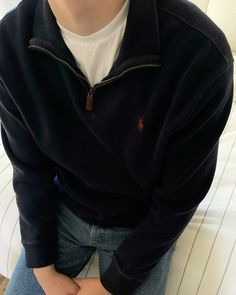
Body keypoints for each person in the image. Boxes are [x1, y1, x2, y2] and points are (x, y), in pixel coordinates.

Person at [0, 0, 234, 294]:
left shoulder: (201, 53)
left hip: (142, 223)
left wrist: (115, 283)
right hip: (66, 205)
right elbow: (29, 171)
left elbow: (179, 199)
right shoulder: (10, 43)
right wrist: (44, 272)